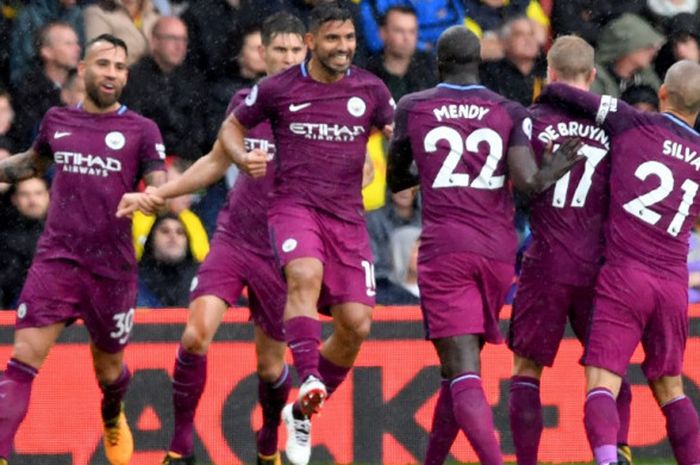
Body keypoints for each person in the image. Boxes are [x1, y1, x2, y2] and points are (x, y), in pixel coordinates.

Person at [117, 11, 308, 465]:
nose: (286, 58)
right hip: (235, 239)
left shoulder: (321, 113)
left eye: (294, 50)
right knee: (195, 336)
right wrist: (158, 194)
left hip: (282, 251)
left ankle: (267, 446)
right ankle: (180, 447)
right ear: (262, 54)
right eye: (278, 49)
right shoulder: (244, 102)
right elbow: (213, 161)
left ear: (307, 53)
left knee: (269, 367)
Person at [386, 25, 583, 465]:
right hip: (497, 254)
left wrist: (432, 172)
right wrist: (549, 170)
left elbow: (397, 179)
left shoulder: (414, 106)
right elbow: (528, 182)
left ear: (438, 64)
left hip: (447, 248)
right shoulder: (507, 109)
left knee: (462, 370)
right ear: (480, 64)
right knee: (456, 371)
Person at [219, 4, 394, 465]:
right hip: (293, 208)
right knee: (304, 272)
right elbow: (232, 125)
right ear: (312, 42)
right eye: (333, 39)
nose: (344, 48)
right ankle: (311, 376)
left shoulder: (371, 89)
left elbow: (396, 133)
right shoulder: (276, 88)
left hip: (348, 220)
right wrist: (240, 158)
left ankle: (301, 412)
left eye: (350, 39)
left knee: (357, 323)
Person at [0, 34, 166, 465]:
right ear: (83, 69)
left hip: (111, 270)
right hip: (57, 259)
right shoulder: (57, 120)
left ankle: (113, 415)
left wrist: (154, 195)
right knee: (21, 363)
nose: (112, 73)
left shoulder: (142, 130)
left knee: (109, 372)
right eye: (103, 64)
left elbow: (160, 180)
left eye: (120, 67)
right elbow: (30, 164)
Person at [540, 60, 700, 465]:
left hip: (625, 276)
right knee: (671, 388)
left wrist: (550, 85)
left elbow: (564, 94)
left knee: (602, 382)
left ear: (662, 93)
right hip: (672, 283)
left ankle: (609, 460)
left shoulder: (631, 122)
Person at [507, 35, 632, 465]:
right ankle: (618, 453)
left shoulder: (528, 119)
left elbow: (517, 188)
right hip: (599, 266)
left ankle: (526, 461)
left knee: (527, 370)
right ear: (594, 76)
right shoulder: (615, 128)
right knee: (607, 372)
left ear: (549, 74)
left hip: (545, 259)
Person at [137, 213, 199, 308]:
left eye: (180, 232)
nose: (173, 236)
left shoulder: (202, 277)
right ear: (151, 241)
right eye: (165, 231)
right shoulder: (135, 278)